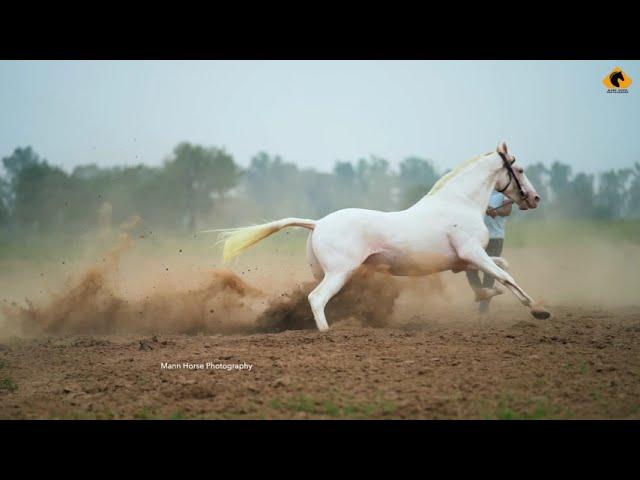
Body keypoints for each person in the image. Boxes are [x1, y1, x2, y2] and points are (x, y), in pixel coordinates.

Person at [466, 189, 512, 313]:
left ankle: (484, 307)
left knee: (489, 272)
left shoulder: (505, 194)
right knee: (470, 269)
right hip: (477, 238)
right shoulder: (480, 192)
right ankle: (481, 292)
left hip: (495, 237)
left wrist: (495, 211)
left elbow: (507, 211)